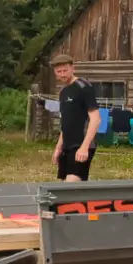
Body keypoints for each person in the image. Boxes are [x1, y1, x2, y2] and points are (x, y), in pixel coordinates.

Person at [50, 53, 98, 182]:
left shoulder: (84, 87)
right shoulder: (63, 92)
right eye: (59, 71)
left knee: (71, 187)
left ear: (73, 68)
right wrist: (58, 147)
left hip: (81, 144)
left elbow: (95, 119)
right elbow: (65, 123)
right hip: (67, 146)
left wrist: (85, 147)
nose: (62, 74)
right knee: (63, 186)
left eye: (65, 70)